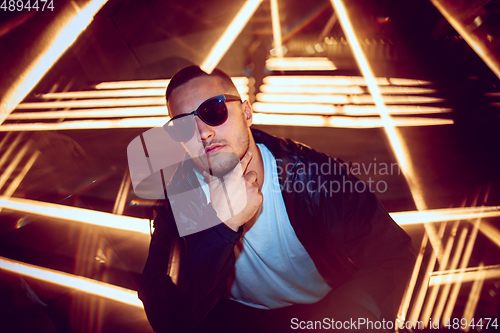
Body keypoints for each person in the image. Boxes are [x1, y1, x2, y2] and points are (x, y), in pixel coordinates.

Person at [137, 66, 415, 333]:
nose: (203, 133)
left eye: (214, 111)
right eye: (183, 127)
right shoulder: (179, 198)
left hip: (320, 313)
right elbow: (166, 314)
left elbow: (393, 255)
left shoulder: (315, 177)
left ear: (247, 112)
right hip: (233, 317)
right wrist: (222, 226)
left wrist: (349, 315)